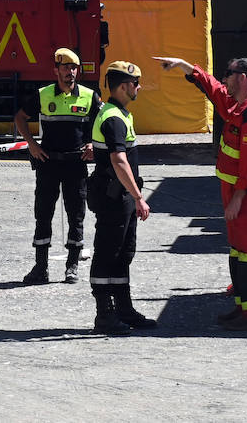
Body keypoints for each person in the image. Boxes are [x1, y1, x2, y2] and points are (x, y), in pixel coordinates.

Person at [155, 54, 247, 332]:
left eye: (228, 74)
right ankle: (243, 306)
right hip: (232, 192)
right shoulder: (236, 106)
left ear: (242, 78)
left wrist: (239, 198)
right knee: (238, 250)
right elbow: (214, 89)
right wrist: (184, 65)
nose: (224, 79)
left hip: (243, 196)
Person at [13, 47, 100, 285]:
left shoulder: (89, 96)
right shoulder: (43, 95)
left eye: (73, 68)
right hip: (48, 163)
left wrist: (93, 144)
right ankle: (40, 268)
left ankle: (72, 266)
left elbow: (103, 122)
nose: (70, 72)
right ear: (56, 71)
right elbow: (20, 117)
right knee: (43, 215)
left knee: (76, 216)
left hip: (75, 165)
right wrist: (31, 144)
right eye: (65, 68)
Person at [87, 60, 155, 334]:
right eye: (136, 83)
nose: (138, 87)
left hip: (122, 197)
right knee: (107, 253)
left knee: (123, 253)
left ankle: (123, 308)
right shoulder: (113, 117)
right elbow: (119, 160)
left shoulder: (120, 113)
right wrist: (139, 197)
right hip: (114, 196)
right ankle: (104, 314)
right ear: (125, 86)